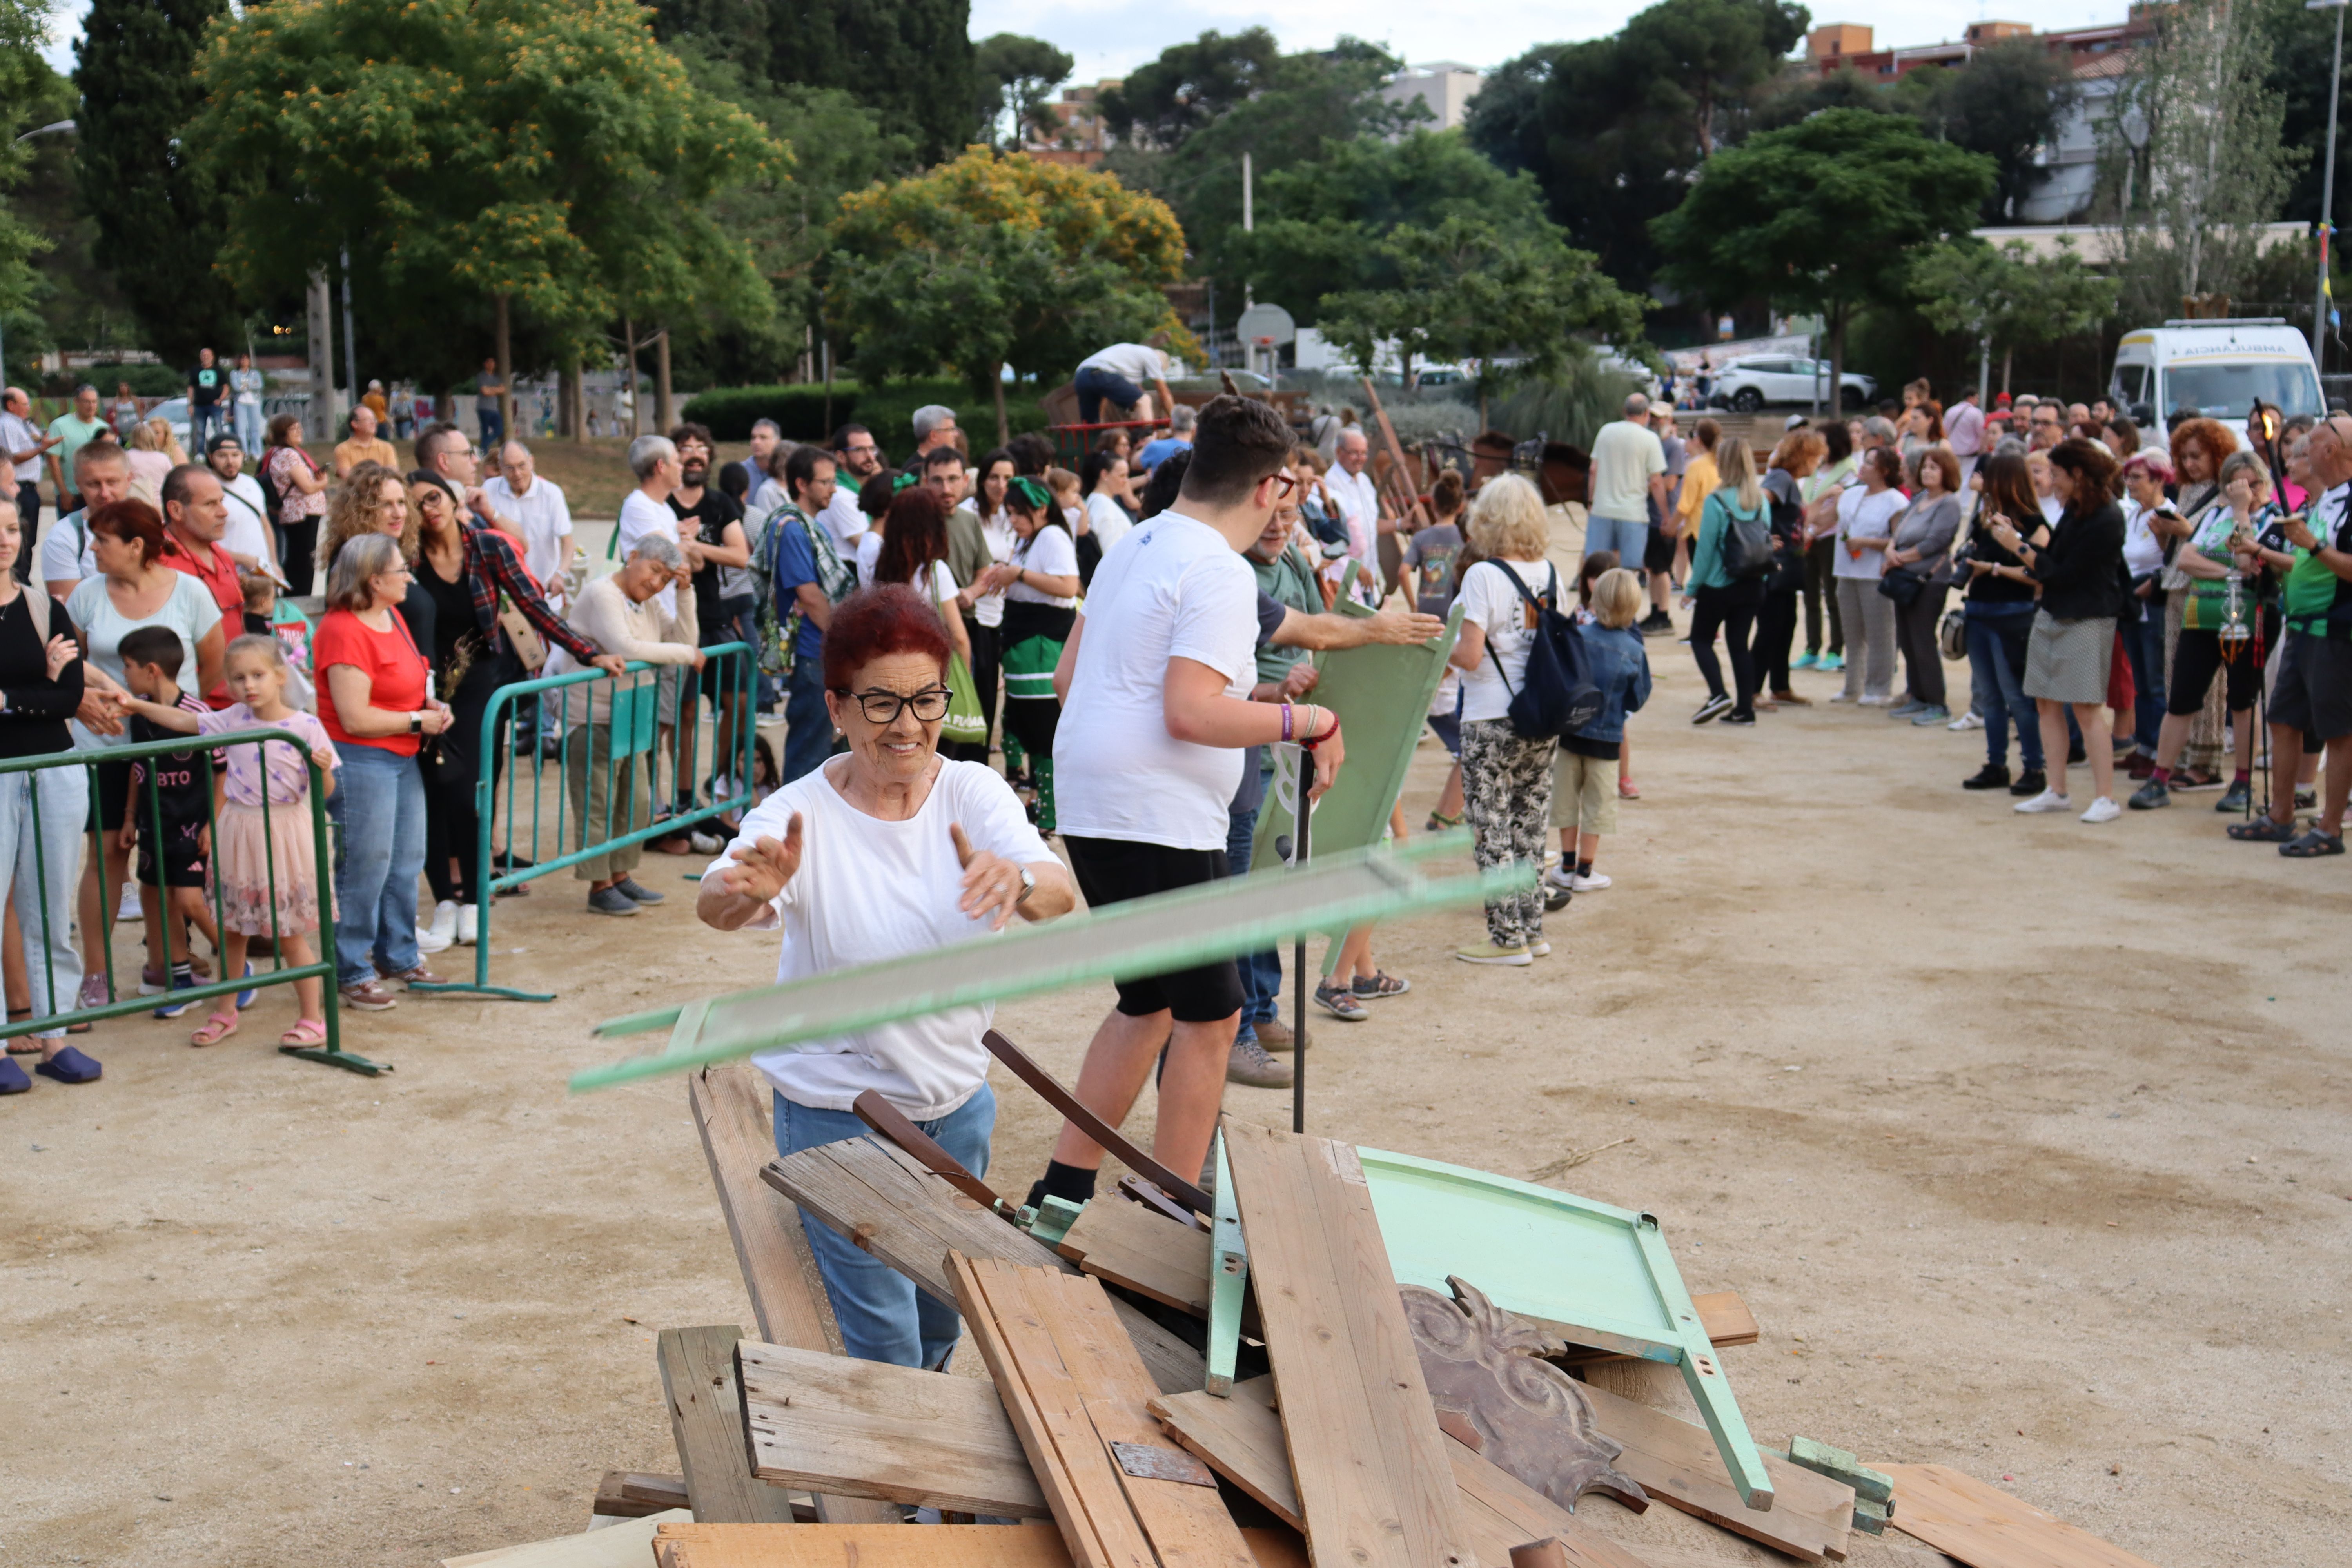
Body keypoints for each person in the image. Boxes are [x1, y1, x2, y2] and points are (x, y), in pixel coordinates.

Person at [699, 582, 1075, 1366]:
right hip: (842, 1114)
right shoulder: (801, 814)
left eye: (927, 699)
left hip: (957, 1107)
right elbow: (716, 898)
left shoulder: (974, 790)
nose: (909, 725)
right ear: (836, 706)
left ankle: (932, 1469)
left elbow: (1059, 889)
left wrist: (1021, 879)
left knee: (945, 1313)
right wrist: (746, 890)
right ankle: (906, 1487)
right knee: (885, 1336)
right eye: (881, 703)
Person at [1033, 394, 1341, 1213]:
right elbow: (1193, 710)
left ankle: (1064, 1185)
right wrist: (1309, 719)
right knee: (1211, 1015)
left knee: (1150, 1004)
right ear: (1274, 485)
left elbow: (1071, 681)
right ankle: (1171, 1204)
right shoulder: (1217, 569)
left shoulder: (1132, 543)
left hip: (1098, 801)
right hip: (1158, 816)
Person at [412, 461, 620, 939]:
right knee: (434, 797)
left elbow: (535, 608)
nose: (428, 510)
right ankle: (446, 899)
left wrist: (590, 652)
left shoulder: (487, 547)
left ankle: (472, 900)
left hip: (477, 681)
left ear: (452, 498)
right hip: (422, 688)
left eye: (434, 498)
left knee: (466, 793)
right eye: (416, 504)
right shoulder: (405, 556)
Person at [122, 634, 336, 1046]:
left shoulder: (305, 726)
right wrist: (134, 704)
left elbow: (324, 790)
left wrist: (321, 768)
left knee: (289, 933)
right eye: (238, 678)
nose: (249, 685)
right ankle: (225, 1012)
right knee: (233, 929)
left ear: (280, 676)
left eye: (258, 675)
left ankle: (313, 1018)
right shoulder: (231, 719)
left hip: (282, 834)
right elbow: (185, 721)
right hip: (237, 831)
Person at [65, 499, 225, 1009]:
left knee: (166, 863)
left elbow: (211, 667)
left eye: (102, 541)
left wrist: (172, 717)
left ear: (136, 546)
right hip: (107, 750)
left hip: (176, 753)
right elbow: (74, 666)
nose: (93, 550)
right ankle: (95, 972)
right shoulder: (87, 596)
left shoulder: (191, 592)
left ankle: (165, 965)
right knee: (108, 855)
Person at [313, 532, 448, 1010]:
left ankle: (397, 953)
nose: (410, 576)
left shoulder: (389, 615)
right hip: (361, 758)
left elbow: (406, 681)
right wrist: (418, 718)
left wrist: (428, 705)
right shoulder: (343, 628)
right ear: (374, 579)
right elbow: (354, 717)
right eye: (401, 570)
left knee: (406, 859)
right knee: (365, 864)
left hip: (400, 754)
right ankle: (350, 966)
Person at [0, 497, 99, 1091]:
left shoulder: (45, 607)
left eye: (12, 528)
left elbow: (72, 699)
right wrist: (39, 682)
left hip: (55, 768)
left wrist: (12, 699)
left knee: (49, 906)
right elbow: (52, 692)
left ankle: (55, 1036)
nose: (5, 540)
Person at [1447, 472, 1561, 962]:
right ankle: (1532, 928)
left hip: (1489, 716)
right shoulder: (1549, 573)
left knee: (1491, 829)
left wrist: (1436, 644)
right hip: (1540, 712)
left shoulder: (1483, 576)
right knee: (1530, 826)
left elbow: (1470, 656)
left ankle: (1506, 938)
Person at [2231, 412, 2352, 856]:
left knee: (2339, 733)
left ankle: (2330, 827)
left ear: (2330, 450)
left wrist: (2314, 546)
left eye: (2308, 445)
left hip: (2335, 632)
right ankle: (2281, 814)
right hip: (2302, 629)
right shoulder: (2321, 499)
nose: (2295, 454)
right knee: (2283, 718)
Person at [1989, 437, 2127, 822]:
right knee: (2045, 702)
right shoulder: (2076, 511)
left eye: (2057, 474)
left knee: (2087, 710)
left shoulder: (2107, 517)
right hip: (2053, 613)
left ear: (2078, 474)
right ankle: (2058, 790)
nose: (2052, 481)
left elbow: (2061, 574)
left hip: (2087, 618)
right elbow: (2052, 563)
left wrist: (2016, 545)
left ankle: (2106, 798)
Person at [2129, 450, 2274, 813]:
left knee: (2242, 701)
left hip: (2247, 618)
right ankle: (2160, 777)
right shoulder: (2215, 515)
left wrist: (2241, 513)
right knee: (2182, 699)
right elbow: (2188, 560)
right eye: (2237, 486)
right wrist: (2230, 573)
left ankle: (2242, 781)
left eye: (2251, 484)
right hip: (2201, 615)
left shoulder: (2269, 517)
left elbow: (2248, 560)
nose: (2245, 492)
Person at [566, 535, 704, 915]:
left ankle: (620, 874)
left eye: (665, 579)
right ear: (633, 558)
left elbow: (684, 639)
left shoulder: (649, 602)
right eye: (654, 571)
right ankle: (599, 885)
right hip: (595, 714)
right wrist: (686, 654)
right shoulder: (602, 593)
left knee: (637, 801)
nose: (656, 583)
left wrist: (685, 592)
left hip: (633, 711)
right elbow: (626, 648)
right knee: (599, 801)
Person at [113, 626, 227, 1020]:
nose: (122, 674)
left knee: (190, 901)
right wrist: (130, 817)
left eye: (127, 666)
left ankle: (236, 965)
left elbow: (222, 770)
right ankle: (179, 981)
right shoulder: (140, 714)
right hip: (154, 827)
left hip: (192, 827)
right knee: (163, 901)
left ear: (151, 670)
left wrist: (212, 822)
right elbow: (138, 766)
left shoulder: (197, 714)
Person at [976, 475, 1080, 831]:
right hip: (1025, 646)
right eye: (1010, 513)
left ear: (1041, 508)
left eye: (1019, 513)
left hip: (1041, 647)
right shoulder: (1031, 538)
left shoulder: (1052, 535)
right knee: (1028, 728)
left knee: (1044, 730)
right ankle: (1040, 804)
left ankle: (1051, 815)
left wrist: (1017, 573)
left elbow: (1068, 586)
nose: (1014, 520)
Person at [1542, 568, 1649, 897]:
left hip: (1569, 732)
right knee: (1597, 804)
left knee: (1566, 799)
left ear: (1595, 600)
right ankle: (1586, 870)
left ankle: (1567, 865)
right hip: (1608, 736)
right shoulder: (1634, 650)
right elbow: (1639, 695)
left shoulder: (1578, 635)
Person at [1960, 452, 2051, 797]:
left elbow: (2041, 575)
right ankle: (1996, 763)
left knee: (2018, 697)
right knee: (1990, 696)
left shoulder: (2034, 522)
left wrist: (1994, 569)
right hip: (1981, 611)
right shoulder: (1987, 520)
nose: (1983, 483)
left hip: (2012, 614)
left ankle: (2034, 766)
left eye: (1989, 477)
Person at [765, 445, 855, 784]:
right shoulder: (793, 529)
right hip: (812, 653)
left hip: (821, 653)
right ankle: (795, 833)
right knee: (810, 756)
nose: (834, 489)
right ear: (802, 484)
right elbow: (811, 596)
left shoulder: (812, 526)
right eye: (826, 482)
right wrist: (843, 638)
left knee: (832, 756)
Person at [2158, 419, 2237, 791]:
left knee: (2208, 684)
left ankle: (2207, 761)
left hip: (2206, 593)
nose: (2189, 464)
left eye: (2197, 456)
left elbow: (2220, 544)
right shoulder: (2187, 490)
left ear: (2217, 454)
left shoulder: (2226, 493)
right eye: (2184, 457)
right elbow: (2174, 552)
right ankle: (2183, 756)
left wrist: (2184, 532)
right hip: (2177, 588)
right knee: (2177, 680)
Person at [1683, 436, 1768, 725]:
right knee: (1739, 644)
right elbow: (1764, 542)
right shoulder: (1760, 500)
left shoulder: (1717, 501)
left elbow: (1705, 552)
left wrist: (1692, 588)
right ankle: (1746, 708)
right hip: (1753, 582)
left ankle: (1718, 693)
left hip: (1720, 585)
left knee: (1701, 639)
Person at [1884, 447, 1965, 725]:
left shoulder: (1949, 503)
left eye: (1935, 467)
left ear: (1947, 473)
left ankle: (1937, 703)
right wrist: (1891, 551)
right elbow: (1898, 532)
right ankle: (1917, 696)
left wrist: (1898, 558)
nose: (1928, 472)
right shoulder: (1919, 498)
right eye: (1926, 467)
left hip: (1929, 581)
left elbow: (1935, 542)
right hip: (1904, 577)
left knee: (1922, 640)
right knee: (1906, 639)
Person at [945, 448, 1015, 766]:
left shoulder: (1012, 512)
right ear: (980, 480)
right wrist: (978, 587)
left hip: (999, 611)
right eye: (995, 477)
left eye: (1008, 478)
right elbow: (982, 568)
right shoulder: (968, 513)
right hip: (972, 615)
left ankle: (979, 770)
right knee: (971, 700)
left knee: (989, 701)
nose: (1001, 485)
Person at [1587, 393, 1672, 632]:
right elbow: (1656, 482)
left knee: (1597, 569)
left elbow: (1594, 470)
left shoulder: (1606, 432)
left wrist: (1591, 501)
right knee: (1631, 572)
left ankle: (1595, 616)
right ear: (1646, 415)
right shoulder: (1649, 439)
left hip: (1603, 510)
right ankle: (1626, 620)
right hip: (1633, 514)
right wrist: (1665, 515)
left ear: (1625, 412)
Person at [869, 485, 973, 672]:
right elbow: (959, 638)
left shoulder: (881, 567)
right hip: (928, 669)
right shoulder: (936, 572)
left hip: (892, 667)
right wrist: (965, 677)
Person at [1830, 447, 1904, 706]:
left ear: (1884, 471)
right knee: (1851, 632)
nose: (1864, 466)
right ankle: (1852, 686)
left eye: (1871, 463)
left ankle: (1879, 688)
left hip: (1875, 573)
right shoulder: (1851, 495)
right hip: (1846, 569)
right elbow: (1829, 520)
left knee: (1880, 634)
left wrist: (1868, 543)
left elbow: (1899, 540)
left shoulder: (1895, 500)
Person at [1754, 430, 1817, 710]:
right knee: (1770, 629)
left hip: (1789, 567)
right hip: (1776, 567)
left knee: (1785, 627)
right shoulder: (1781, 477)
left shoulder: (1789, 480)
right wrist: (1763, 537)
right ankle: (1753, 690)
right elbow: (1757, 502)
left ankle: (1780, 686)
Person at [39, 439, 133, 601]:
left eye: (112, 482)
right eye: (94, 484)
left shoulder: (152, 528)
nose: (105, 493)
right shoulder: (63, 537)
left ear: (129, 480)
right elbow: (68, 613)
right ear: (78, 484)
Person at [479, 440, 574, 600]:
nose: (517, 474)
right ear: (501, 468)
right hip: (504, 595)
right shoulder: (489, 489)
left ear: (532, 462)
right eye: (510, 468)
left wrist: (560, 574)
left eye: (522, 466)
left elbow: (568, 543)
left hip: (544, 590)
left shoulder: (552, 494)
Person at [1796, 419, 1856, 672]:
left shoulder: (1849, 469)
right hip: (1809, 537)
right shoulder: (1817, 466)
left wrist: (1813, 527)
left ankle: (1835, 650)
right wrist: (1807, 528)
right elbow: (1807, 503)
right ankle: (1812, 648)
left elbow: (1838, 509)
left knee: (1833, 597)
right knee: (1810, 596)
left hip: (1831, 538)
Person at [617, 433, 686, 619]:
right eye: (677, 461)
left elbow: (692, 562)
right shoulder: (638, 506)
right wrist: (689, 544)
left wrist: (687, 547)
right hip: (648, 617)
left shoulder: (666, 509)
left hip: (667, 612)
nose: (682, 467)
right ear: (661, 466)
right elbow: (673, 560)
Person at [263, 415, 329, 596]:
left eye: (300, 428)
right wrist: (323, 483)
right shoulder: (288, 455)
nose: (300, 432)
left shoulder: (281, 453)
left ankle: (297, 595)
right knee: (303, 560)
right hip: (301, 513)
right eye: (294, 429)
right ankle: (299, 597)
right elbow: (307, 487)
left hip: (300, 513)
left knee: (300, 558)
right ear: (282, 433)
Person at [1324, 428, 1388, 604]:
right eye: (1355, 453)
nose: (1361, 458)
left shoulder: (1365, 482)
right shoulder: (1331, 484)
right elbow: (1330, 538)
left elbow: (1371, 525)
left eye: (1364, 453)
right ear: (1339, 453)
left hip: (1369, 575)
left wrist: (1399, 524)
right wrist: (1356, 566)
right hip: (1347, 577)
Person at [0, 387, 57, 573]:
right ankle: (17, 580)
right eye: (25, 404)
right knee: (20, 539)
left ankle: (25, 580)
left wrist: (44, 442)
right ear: (11, 405)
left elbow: (40, 439)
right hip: (19, 489)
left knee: (30, 539)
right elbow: (13, 457)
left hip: (31, 488)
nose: (29, 408)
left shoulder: (24, 424)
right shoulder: (7, 425)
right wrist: (41, 448)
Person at [207, 433, 276, 579]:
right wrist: (245, 560)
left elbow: (265, 526)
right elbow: (203, 542)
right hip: (228, 576)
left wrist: (274, 564)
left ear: (243, 456)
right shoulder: (205, 488)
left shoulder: (251, 483)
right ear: (210, 457)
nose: (230, 461)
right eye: (222, 456)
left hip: (262, 575)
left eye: (235, 455)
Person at [1073, 340, 1172, 425]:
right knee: (1144, 401)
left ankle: (1093, 444)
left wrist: (1100, 419)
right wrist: (1175, 420)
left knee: (1092, 426)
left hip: (1081, 377)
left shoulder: (1129, 363)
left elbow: (1104, 391)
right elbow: (1164, 394)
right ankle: (1148, 442)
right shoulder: (1153, 357)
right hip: (1101, 374)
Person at [44, 385, 108, 516]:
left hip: (98, 495)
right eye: (87, 402)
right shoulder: (60, 426)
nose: (91, 406)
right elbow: (53, 461)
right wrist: (64, 492)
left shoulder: (104, 427)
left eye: (94, 402)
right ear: (76, 402)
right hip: (72, 495)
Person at [820, 423, 882, 550]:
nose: (870, 457)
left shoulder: (862, 490)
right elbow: (872, 550)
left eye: (872, 449)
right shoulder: (840, 496)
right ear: (841, 457)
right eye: (860, 450)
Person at [1078, 448, 1134, 578]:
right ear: (1105, 475)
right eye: (1122, 476)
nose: (1126, 481)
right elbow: (1112, 558)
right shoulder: (1107, 510)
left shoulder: (1094, 500)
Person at [333, 405, 398, 479]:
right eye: (368, 419)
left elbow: (392, 473)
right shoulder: (342, 449)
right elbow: (348, 477)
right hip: (355, 490)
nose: (373, 423)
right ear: (355, 424)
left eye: (374, 419)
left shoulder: (387, 447)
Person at [124, 419, 178, 508]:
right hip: (159, 504)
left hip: (135, 504)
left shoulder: (127, 456)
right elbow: (173, 481)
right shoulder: (163, 458)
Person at [185, 348, 227, 451]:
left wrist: (220, 399)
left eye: (208, 355)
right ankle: (200, 453)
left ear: (213, 357)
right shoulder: (195, 370)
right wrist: (190, 404)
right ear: (201, 357)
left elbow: (226, 387)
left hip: (215, 406)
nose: (206, 357)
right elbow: (191, 388)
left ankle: (220, 450)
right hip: (199, 405)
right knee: (200, 431)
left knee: (219, 429)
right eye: (203, 355)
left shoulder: (218, 371)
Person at [1136, 403, 1196, 472]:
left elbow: (1135, 464)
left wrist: (1147, 445)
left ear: (1171, 425)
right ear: (1194, 429)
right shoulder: (1201, 453)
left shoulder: (1155, 446)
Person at [730, 419, 782, 499]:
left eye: (763, 438)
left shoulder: (785, 472)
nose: (756, 442)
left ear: (777, 442)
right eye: (753, 438)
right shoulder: (740, 472)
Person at [1946, 386, 1985, 481]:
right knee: (1966, 482)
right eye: (1976, 398)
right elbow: (1982, 434)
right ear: (1970, 398)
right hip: (1970, 456)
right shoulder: (1976, 413)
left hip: (1952, 454)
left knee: (1954, 479)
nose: (1977, 401)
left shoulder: (1951, 411)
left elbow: (1945, 431)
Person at [230, 354, 265, 456]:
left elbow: (259, 385)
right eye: (242, 359)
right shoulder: (235, 373)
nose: (244, 361)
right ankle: (243, 452)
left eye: (246, 359)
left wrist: (245, 385)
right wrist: (251, 385)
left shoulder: (255, 373)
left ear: (249, 361)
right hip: (240, 403)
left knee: (255, 429)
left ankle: (257, 453)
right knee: (241, 429)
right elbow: (236, 387)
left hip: (254, 403)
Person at [476, 358, 507, 448]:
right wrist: (495, 390)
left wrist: (490, 390)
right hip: (484, 408)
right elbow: (485, 392)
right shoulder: (481, 376)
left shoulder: (497, 378)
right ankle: (484, 452)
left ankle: (484, 445)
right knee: (484, 431)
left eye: (493, 362)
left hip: (494, 409)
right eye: (489, 362)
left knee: (499, 430)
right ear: (485, 364)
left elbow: (503, 390)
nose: (491, 364)